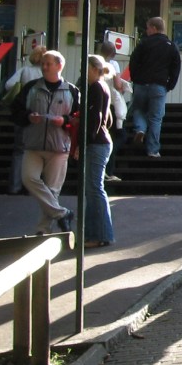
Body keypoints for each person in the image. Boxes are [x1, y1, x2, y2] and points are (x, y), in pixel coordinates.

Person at [11, 49, 79, 236]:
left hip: (59, 147)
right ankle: (63, 213)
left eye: (48, 64)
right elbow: (15, 111)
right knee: (28, 178)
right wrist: (28, 117)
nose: (44, 67)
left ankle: (43, 230)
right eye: (43, 64)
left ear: (59, 66)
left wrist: (64, 121)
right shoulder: (31, 87)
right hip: (33, 144)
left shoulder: (72, 90)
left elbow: (78, 118)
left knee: (52, 190)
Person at [127, 17, 182, 158]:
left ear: (153, 28)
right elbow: (176, 67)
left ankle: (140, 129)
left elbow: (133, 61)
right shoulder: (171, 45)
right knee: (156, 118)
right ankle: (153, 150)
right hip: (159, 85)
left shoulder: (144, 43)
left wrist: (135, 78)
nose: (147, 31)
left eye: (147, 28)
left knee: (138, 109)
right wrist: (170, 85)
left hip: (141, 84)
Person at [3, 43, 46, 194]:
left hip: (23, 113)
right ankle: (35, 187)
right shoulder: (45, 74)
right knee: (40, 152)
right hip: (41, 114)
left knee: (19, 151)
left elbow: (9, 85)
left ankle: (15, 186)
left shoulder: (24, 70)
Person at [82, 54, 115, 248]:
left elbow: (96, 117)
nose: (82, 72)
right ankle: (96, 233)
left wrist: (85, 142)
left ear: (94, 69)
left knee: (94, 189)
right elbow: (107, 120)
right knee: (95, 188)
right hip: (103, 140)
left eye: (85, 68)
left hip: (97, 143)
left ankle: (98, 234)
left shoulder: (95, 87)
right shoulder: (104, 87)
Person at [99, 39, 130, 183]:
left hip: (99, 102)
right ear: (113, 53)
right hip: (111, 104)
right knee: (118, 136)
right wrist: (123, 87)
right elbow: (117, 84)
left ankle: (104, 170)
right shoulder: (113, 64)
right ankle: (108, 169)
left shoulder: (95, 63)